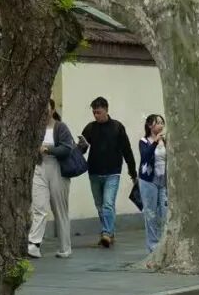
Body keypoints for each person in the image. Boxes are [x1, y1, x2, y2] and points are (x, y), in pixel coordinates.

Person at [80, 96, 136, 248]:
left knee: (108, 204)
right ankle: (109, 233)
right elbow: (82, 150)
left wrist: (133, 172)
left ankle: (106, 233)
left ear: (106, 110)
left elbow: (127, 150)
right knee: (99, 205)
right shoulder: (90, 128)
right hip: (94, 172)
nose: (96, 115)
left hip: (112, 172)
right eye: (94, 112)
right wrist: (80, 146)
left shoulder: (117, 127)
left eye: (98, 112)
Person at [28, 98, 74, 259]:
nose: (44, 112)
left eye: (47, 109)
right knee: (39, 206)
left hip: (57, 169)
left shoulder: (60, 127)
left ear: (53, 110)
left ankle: (65, 248)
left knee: (59, 209)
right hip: (39, 167)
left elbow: (67, 148)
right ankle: (34, 244)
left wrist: (47, 149)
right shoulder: (35, 129)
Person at [138, 115, 168, 253]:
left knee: (164, 212)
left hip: (164, 181)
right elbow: (145, 156)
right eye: (158, 123)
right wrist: (155, 142)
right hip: (149, 180)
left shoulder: (166, 141)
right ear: (150, 126)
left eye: (162, 123)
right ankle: (153, 245)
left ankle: (164, 242)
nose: (161, 126)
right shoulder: (144, 141)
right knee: (151, 213)